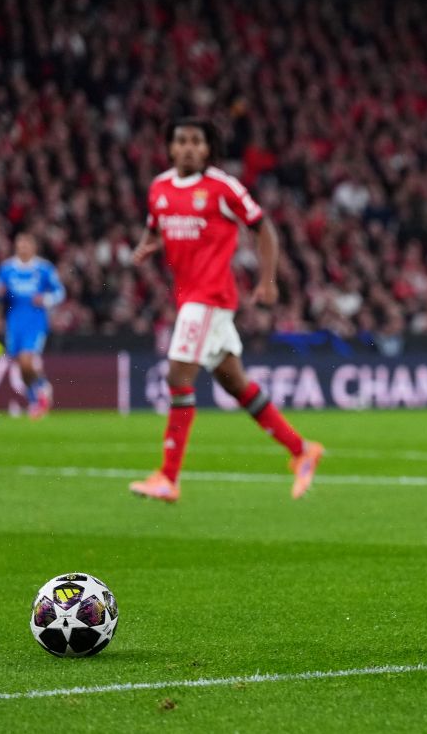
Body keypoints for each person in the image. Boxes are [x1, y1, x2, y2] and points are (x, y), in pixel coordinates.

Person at [129, 118, 324, 503]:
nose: (188, 147)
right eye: (181, 141)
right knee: (235, 382)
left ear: (207, 149)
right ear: (170, 148)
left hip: (210, 297)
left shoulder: (223, 187)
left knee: (178, 376)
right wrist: (147, 244)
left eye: (196, 141)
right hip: (190, 298)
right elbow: (155, 225)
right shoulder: (159, 188)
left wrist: (268, 280)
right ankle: (302, 449)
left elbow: (264, 228)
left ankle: (168, 477)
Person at [0, 232, 65, 419]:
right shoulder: (7, 269)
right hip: (14, 323)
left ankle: (43, 389)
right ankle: (37, 398)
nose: (23, 248)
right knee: (22, 367)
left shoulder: (44, 269)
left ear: (34, 247)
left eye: (26, 245)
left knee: (26, 360)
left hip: (35, 322)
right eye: (20, 245)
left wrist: (45, 299)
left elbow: (60, 292)